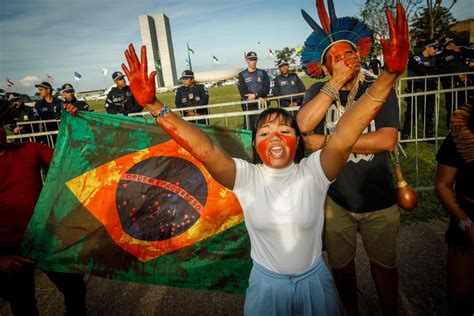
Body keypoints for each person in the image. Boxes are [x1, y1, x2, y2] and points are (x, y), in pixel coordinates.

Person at [120, 3, 407, 313]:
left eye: (284, 129)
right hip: (266, 289)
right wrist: (154, 106)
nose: (274, 137)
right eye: (264, 132)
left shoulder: (314, 171)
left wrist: (388, 75)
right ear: (254, 144)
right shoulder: (246, 177)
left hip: (315, 284)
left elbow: (344, 136)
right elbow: (205, 149)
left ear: (297, 141)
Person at [297, 2, 404, 315]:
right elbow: (304, 126)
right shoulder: (318, 91)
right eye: (336, 58)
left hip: (379, 198)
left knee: (384, 267)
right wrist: (334, 83)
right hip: (335, 201)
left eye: (349, 53)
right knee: (341, 269)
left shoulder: (378, 87)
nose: (345, 60)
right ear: (326, 67)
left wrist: (330, 141)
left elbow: (386, 139)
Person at [0, 104, 86, 316]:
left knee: (75, 287)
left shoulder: (28, 149)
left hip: (44, 237)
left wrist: (76, 123)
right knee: (23, 304)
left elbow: (70, 161)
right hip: (7, 249)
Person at [435, 103, 474, 315]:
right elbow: (442, 185)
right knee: (461, 301)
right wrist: (466, 224)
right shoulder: (463, 128)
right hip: (468, 217)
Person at [400, 39, 439, 140]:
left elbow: (439, 70)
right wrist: (432, 70)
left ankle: (429, 136)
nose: (436, 50)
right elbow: (421, 70)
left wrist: (431, 71)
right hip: (417, 90)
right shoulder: (415, 58)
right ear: (427, 47)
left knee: (429, 114)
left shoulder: (435, 58)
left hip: (430, 89)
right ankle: (405, 136)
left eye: (437, 48)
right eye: (434, 47)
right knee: (412, 115)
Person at [437, 37, 469, 129]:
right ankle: (451, 127)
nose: (454, 43)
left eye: (453, 42)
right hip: (451, 85)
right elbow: (442, 71)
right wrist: (456, 75)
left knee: (465, 107)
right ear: (447, 45)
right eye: (451, 42)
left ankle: (463, 126)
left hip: (464, 85)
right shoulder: (442, 56)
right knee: (452, 107)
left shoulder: (460, 52)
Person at [237, 52, 270, 129]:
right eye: (251, 60)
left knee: (264, 129)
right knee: (251, 130)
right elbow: (243, 92)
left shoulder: (262, 73)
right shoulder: (242, 75)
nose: (253, 62)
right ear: (247, 61)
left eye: (255, 59)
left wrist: (255, 95)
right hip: (249, 107)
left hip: (262, 105)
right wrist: (257, 97)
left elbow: (266, 89)